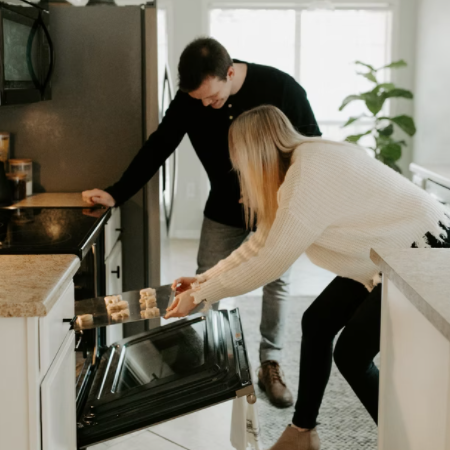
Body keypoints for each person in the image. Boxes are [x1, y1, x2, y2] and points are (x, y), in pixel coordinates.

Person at [165, 105, 450, 450]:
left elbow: (270, 261)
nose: (237, 168)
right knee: (317, 322)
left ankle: (406, 442)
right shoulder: (301, 164)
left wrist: (201, 295)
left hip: (423, 249)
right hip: (387, 254)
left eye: (238, 159)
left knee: (351, 355)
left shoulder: (307, 177)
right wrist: (203, 281)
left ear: (253, 153)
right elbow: (260, 244)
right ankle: (303, 433)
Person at [82, 37, 321, 408]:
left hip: (276, 206)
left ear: (230, 72)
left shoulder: (280, 87)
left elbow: (312, 147)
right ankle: (209, 359)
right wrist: (117, 192)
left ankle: (269, 363)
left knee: (278, 281)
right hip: (223, 208)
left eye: (213, 97)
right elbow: (159, 145)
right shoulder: (192, 99)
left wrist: (279, 190)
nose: (207, 105)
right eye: (200, 101)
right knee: (205, 277)